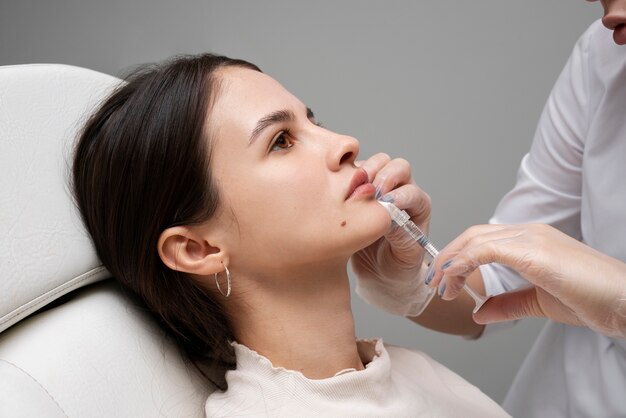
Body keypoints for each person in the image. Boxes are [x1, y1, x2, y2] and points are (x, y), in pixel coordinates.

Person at [72, 54, 510, 417]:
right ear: (197, 248)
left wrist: (412, 286)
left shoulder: (412, 373)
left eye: (313, 122)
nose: (345, 143)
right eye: (281, 140)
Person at [354, 1, 626, 416]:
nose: (609, 12)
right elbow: (500, 284)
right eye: (282, 140)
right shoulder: (605, 54)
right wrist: (408, 282)